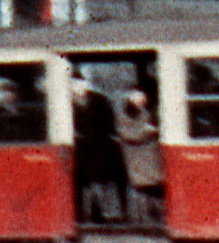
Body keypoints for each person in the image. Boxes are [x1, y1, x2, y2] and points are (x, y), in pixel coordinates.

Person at [70, 78, 123, 227]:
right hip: (79, 149)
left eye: (81, 84)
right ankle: (83, 215)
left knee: (101, 182)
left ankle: (104, 214)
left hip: (100, 147)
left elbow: (110, 124)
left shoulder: (100, 100)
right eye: (75, 85)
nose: (79, 88)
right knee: (83, 184)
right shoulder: (66, 102)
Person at [115, 88, 165, 228]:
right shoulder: (124, 115)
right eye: (139, 98)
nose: (142, 101)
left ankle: (153, 218)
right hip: (137, 158)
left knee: (151, 188)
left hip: (149, 157)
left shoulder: (145, 112)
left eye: (143, 98)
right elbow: (129, 134)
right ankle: (142, 220)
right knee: (142, 189)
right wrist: (147, 131)